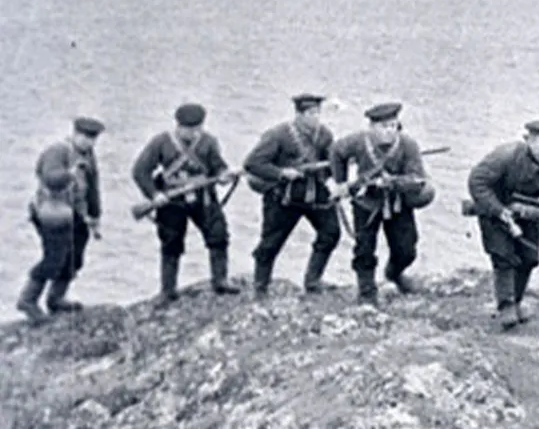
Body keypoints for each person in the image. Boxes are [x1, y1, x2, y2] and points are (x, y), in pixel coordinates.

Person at [132, 103, 240, 303]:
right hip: (172, 199)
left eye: (198, 127)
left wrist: (224, 175)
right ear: (179, 126)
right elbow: (140, 171)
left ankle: (220, 280)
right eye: (189, 128)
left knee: (218, 234)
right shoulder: (161, 142)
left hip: (203, 196)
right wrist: (154, 194)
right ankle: (168, 289)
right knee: (171, 241)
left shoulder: (208, 142)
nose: (194, 132)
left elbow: (217, 166)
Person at [467, 119, 539, 328]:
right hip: (495, 210)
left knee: (530, 258)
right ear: (528, 141)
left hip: (527, 214)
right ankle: (505, 306)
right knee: (503, 257)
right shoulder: (505, 156)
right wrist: (499, 210)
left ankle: (517, 300)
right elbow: (477, 181)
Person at [331, 101, 434, 304]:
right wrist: (341, 182)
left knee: (406, 249)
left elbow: (416, 180)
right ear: (372, 127)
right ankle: (367, 293)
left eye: (393, 126)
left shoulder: (407, 145)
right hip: (366, 203)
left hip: (397, 204)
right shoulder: (358, 141)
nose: (389, 131)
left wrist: (392, 183)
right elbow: (336, 152)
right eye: (383, 126)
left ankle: (395, 273)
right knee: (364, 249)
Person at [243, 93, 341, 297]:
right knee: (270, 244)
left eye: (317, 113)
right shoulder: (277, 135)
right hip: (283, 197)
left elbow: (331, 165)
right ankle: (260, 288)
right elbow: (252, 163)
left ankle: (313, 282)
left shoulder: (324, 135)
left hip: (314, 194)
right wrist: (281, 173)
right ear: (299, 114)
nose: (315, 118)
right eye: (310, 113)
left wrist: (336, 166)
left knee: (331, 233)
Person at [16, 117, 104, 323]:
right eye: (84, 137)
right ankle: (27, 299)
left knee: (75, 258)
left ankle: (56, 298)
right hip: (51, 212)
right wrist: (69, 174)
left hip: (76, 213)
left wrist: (95, 214)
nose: (88, 142)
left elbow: (93, 186)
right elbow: (50, 178)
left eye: (92, 138)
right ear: (75, 134)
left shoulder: (89, 156)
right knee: (54, 258)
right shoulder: (57, 151)